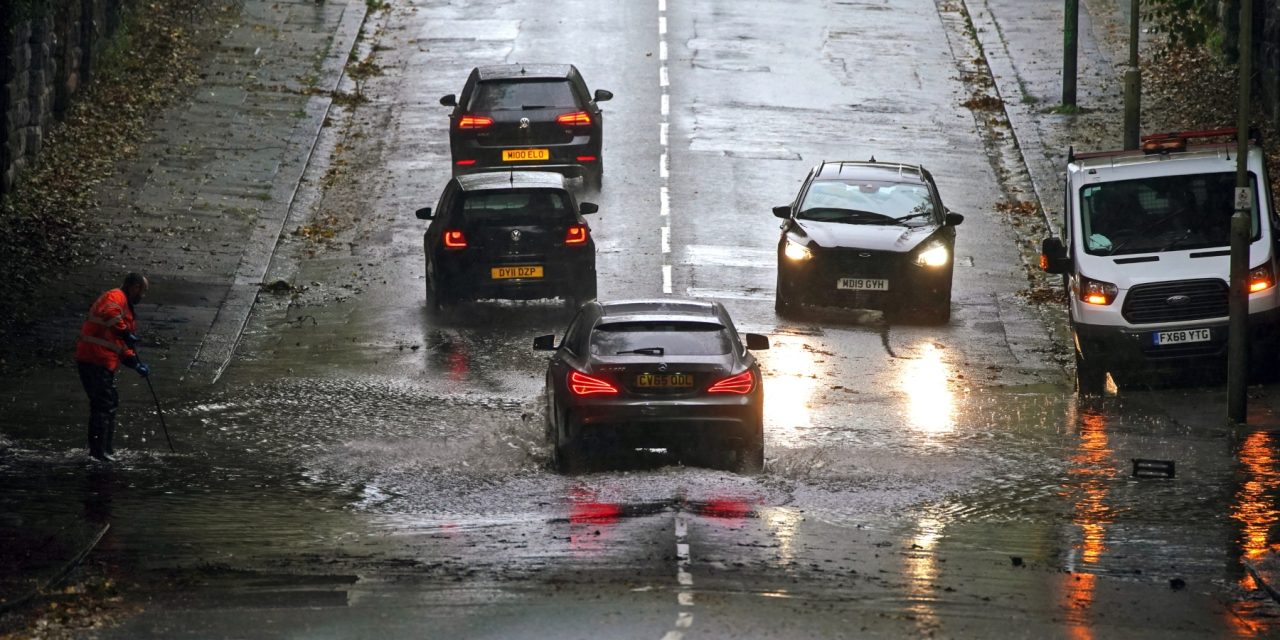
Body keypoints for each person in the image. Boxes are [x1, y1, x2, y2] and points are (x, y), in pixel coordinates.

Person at [75, 273, 150, 462]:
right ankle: (99, 453)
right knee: (103, 404)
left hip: (102, 361)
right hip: (94, 358)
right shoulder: (115, 297)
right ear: (134, 287)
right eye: (143, 291)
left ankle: (105, 449)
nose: (143, 296)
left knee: (108, 403)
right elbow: (111, 314)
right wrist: (125, 332)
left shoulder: (127, 310)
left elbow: (122, 345)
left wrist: (135, 363)